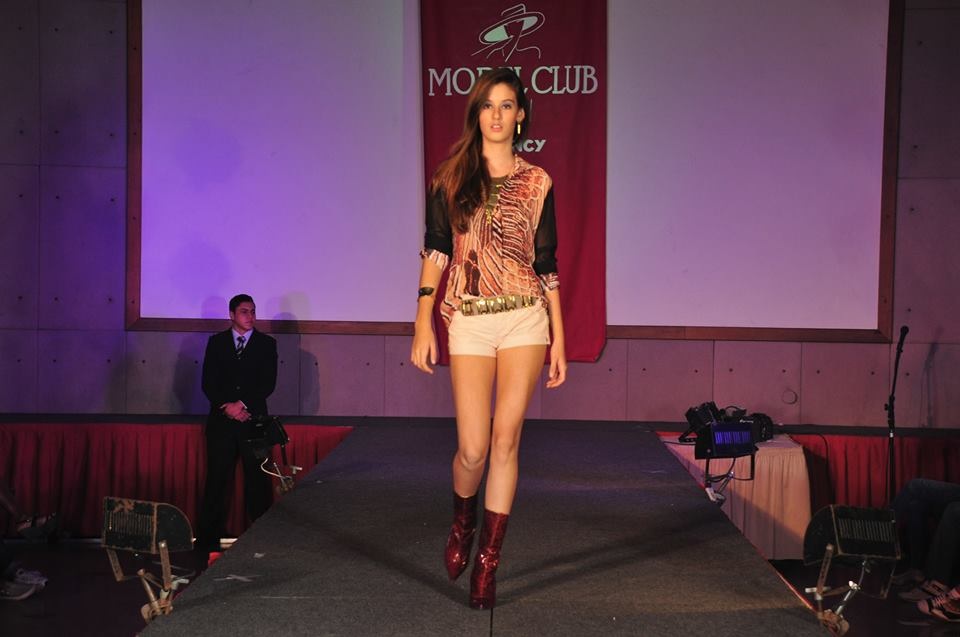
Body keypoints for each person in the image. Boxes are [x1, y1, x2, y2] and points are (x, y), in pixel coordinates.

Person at [411, 67, 567, 610]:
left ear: (520, 115)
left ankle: (488, 563)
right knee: (473, 448)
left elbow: (546, 263)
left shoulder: (539, 181)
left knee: (506, 441)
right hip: (470, 317)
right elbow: (437, 249)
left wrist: (560, 338)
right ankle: (462, 521)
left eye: (506, 105)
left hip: (526, 316)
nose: (496, 115)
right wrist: (422, 320)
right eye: (487, 105)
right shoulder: (450, 177)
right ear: (476, 113)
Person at [196, 294, 278, 556]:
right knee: (217, 481)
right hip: (222, 423)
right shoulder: (217, 343)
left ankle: (263, 541)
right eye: (244, 311)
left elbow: (267, 383)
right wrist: (227, 407)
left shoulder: (266, 344)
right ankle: (207, 543)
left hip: (253, 423)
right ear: (231, 315)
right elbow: (208, 382)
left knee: (258, 482)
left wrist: (241, 405)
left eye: (253, 311)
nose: (250, 316)